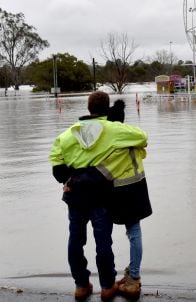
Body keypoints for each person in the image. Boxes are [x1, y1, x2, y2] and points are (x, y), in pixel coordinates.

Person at [50, 91, 148, 301]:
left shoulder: (68, 134)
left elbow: (56, 163)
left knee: (75, 240)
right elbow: (142, 138)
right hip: (101, 195)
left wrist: (69, 179)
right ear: (107, 108)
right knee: (103, 242)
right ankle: (107, 286)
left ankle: (81, 285)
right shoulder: (115, 130)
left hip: (74, 195)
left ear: (88, 108)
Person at [105, 99, 153, 299]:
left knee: (108, 234)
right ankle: (132, 274)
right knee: (134, 233)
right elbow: (143, 151)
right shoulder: (132, 138)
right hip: (138, 187)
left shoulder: (110, 140)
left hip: (120, 189)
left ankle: (131, 278)